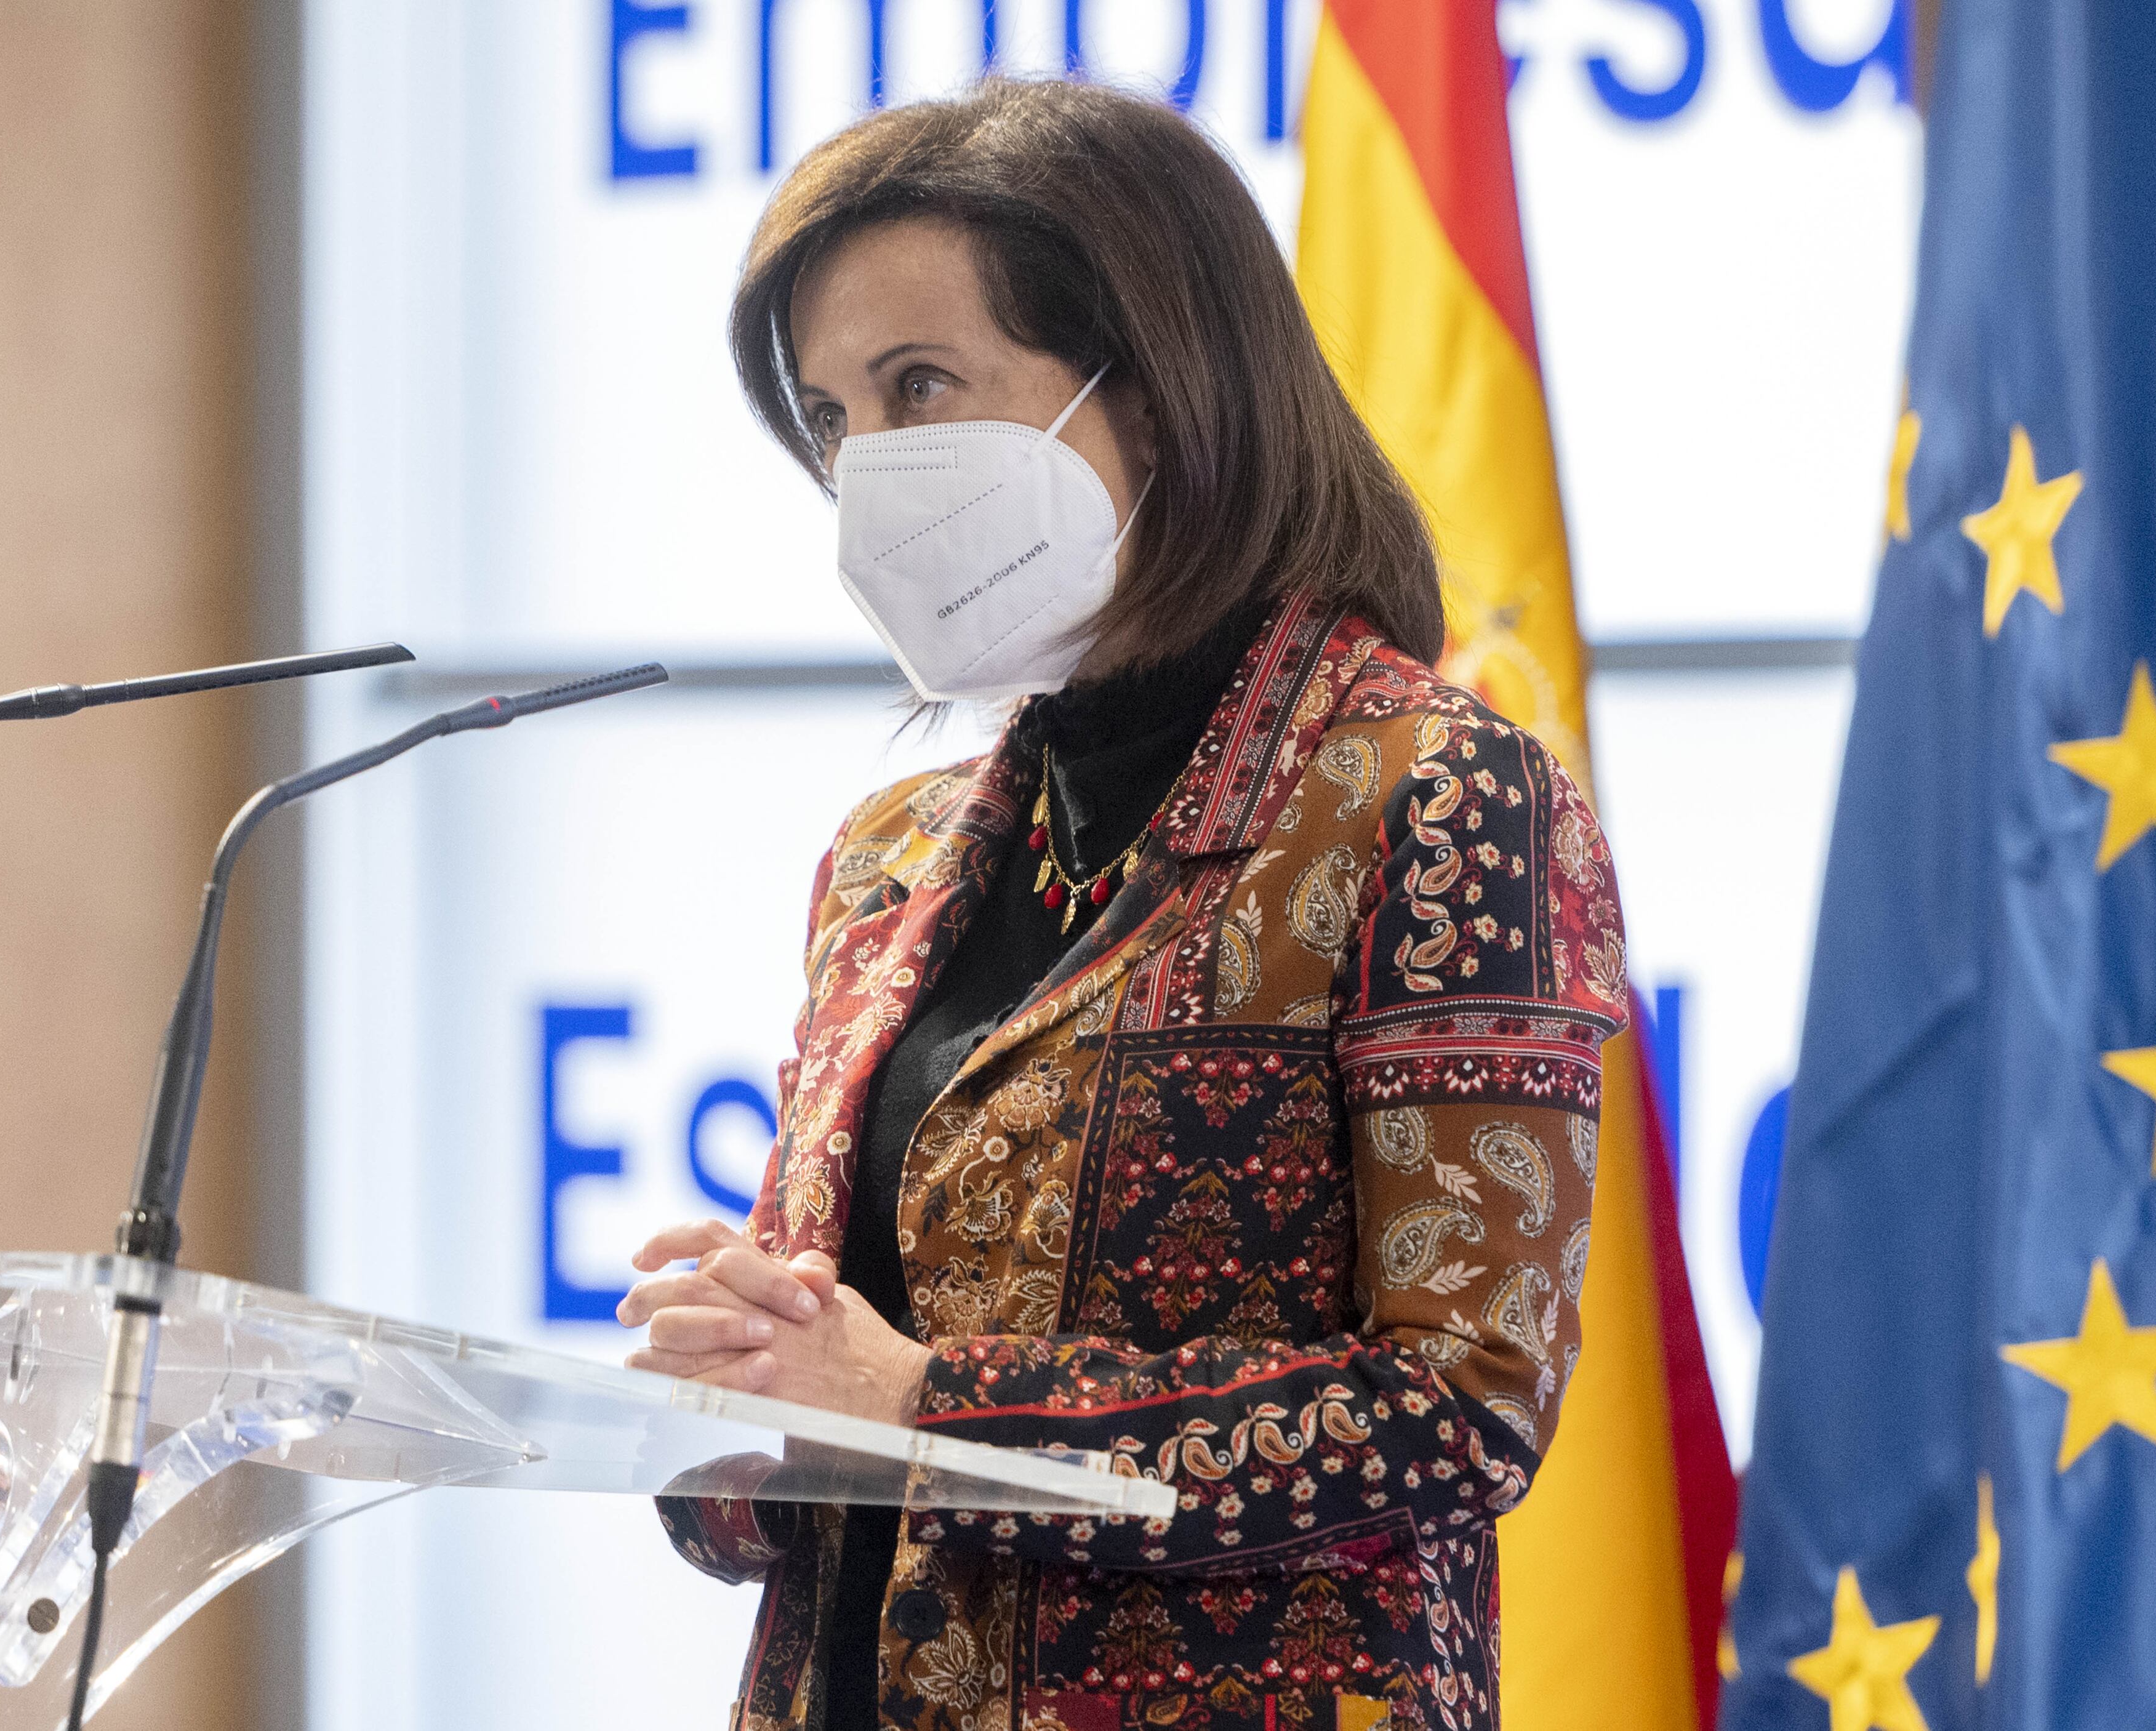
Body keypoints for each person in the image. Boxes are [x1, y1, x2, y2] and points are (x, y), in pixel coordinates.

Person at [619, 78, 1627, 1731]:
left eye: (920, 385)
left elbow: (1459, 1411)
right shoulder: (889, 857)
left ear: (1154, 393)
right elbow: (814, 1450)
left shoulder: (1433, 795)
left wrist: (928, 1407)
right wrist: (738, 1386)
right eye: (831, 416)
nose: (865, 468)